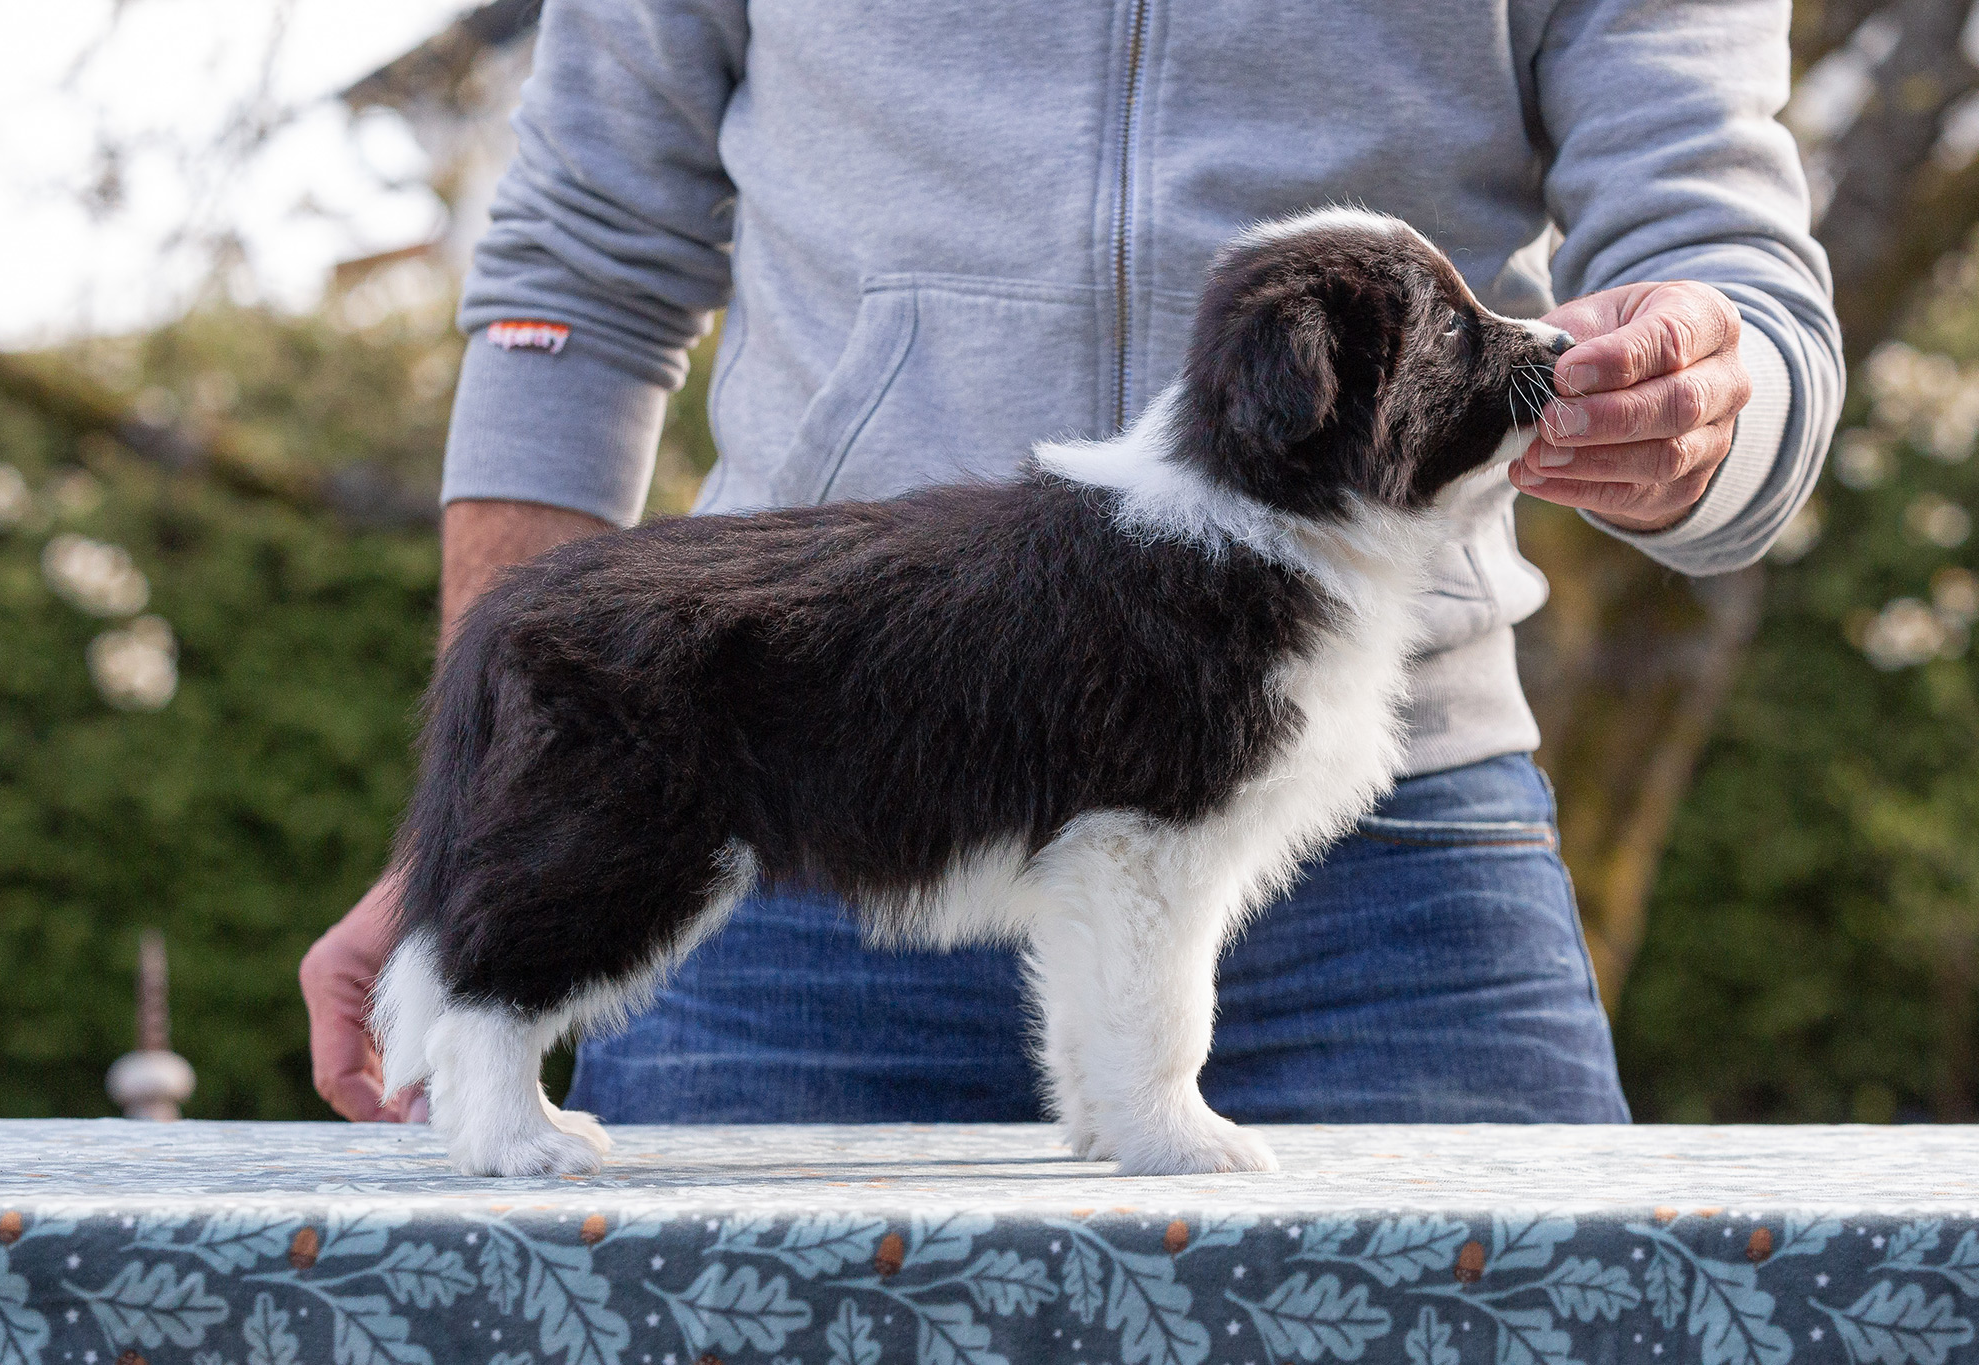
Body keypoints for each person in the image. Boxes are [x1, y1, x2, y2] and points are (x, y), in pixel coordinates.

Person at [302, 0, 1840, 1128]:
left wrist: (1711, 403)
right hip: (806, 809)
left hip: (1402, 868)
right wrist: (498, 805)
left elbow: (1736, 268)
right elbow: (578, 264)